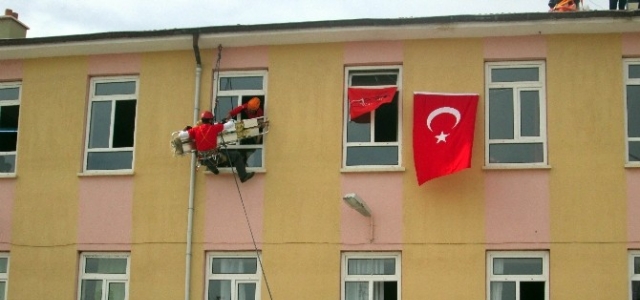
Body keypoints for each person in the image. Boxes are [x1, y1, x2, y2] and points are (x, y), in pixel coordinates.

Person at [181, 110, 254, 183]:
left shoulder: (195, 130)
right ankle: (243, 176)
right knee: (236, 155)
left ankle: (215, 170)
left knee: (207, 157)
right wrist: (229, 120)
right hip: (215, 158)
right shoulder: (214, 128)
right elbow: (230, 125)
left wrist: (184, 130)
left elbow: (180, 135)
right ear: (210, 120)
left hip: (202, 160)